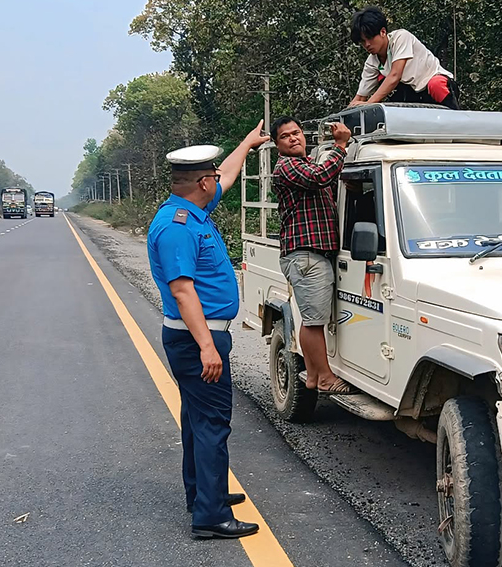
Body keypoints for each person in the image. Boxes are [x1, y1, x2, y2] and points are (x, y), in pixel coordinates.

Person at [147, 122, 270, 540]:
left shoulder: (192, 209)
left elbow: (230, 174)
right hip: (195, 338)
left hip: (199, 336)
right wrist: (207, 347)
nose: (219, 179)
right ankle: (211, 516)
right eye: (213, 176)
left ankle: (205, 493)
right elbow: (183, 291)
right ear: (202, 182)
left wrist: (247, 144)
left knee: (197, 420)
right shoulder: (178, 226)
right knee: (213, 423)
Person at [271, 115, 355, 394]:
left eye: (296, 132)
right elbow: (319, 178)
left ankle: (313, 376)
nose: (294, 138)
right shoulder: (286, 167)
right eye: (286, 136)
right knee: (314, 322)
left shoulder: (305, 164)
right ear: (277, 144)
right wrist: (340, 147)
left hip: (314, 254)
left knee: (312, 320)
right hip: (306, 254)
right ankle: (326, 378)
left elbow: (326, 184)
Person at [348, 6, 459, 109]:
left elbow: (395, 75)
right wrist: (343, 118)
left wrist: (369, 104)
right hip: (412, 95)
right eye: (362, 41)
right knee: (386, 86)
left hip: (437, 87)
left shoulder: (401, 38)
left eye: (370, 37)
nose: (367, 44)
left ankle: (457, 118)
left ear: (383, 32)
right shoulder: (372, 62)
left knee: (435, 84)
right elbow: (360, 97)